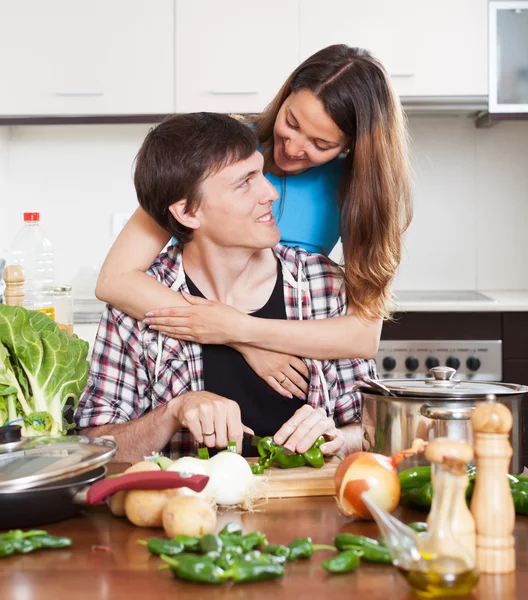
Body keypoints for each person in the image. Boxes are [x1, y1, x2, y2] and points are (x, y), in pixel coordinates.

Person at [95, 44, 412, 401]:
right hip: (196, 334)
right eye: (291, 122)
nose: (293, 148)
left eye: (321, 143)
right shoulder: (227, 149)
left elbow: (361, 336)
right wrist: (238, 338)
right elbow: (116, 280)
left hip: (289, 349)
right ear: (285, 97)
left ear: (351, 146)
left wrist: (243, 329)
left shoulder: (360, 190)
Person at [75, 113, 375, 462]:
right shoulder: (136, 305)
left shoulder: (325, 286)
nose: (271, 193)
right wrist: (174, 411)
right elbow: (96, 449)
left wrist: (339, 437)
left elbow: (370, 428)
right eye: (245, 183)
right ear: (188, 212)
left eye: (261, 173)